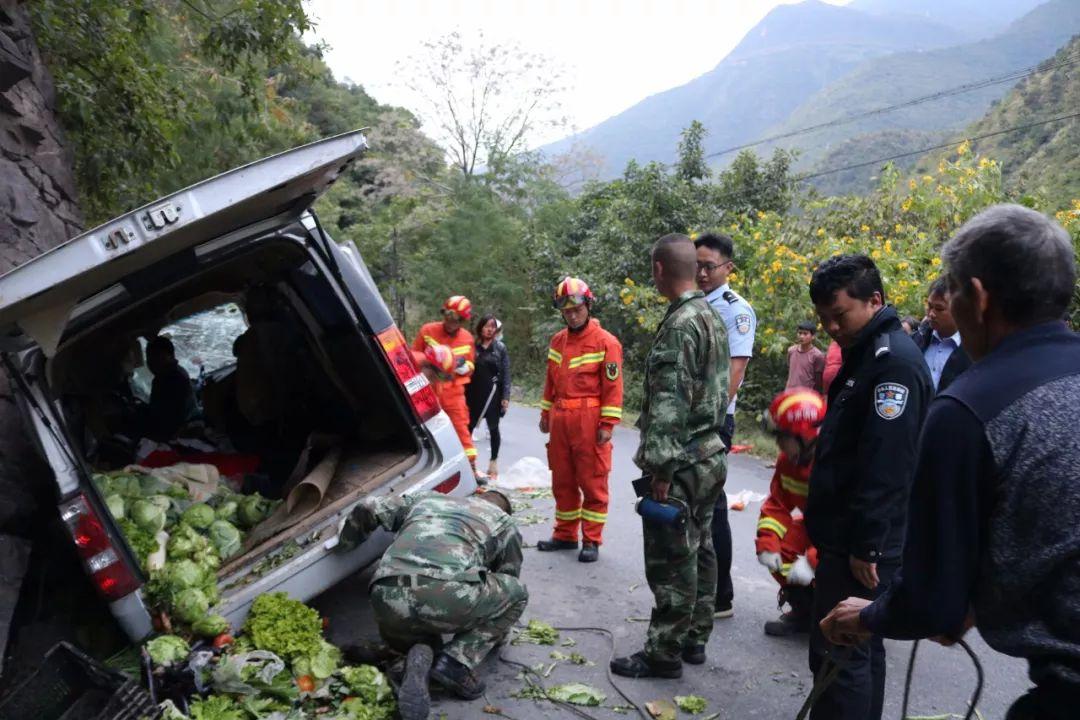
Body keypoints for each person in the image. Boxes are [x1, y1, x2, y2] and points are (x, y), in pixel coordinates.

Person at [819, 205, 1080, 720]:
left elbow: (934, 600)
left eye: (954, 293)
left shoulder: (968, 409)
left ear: (977, 298)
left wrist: (871, 615)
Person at [805, 254, 932, 720]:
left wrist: (869, 546)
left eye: (839, 315)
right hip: (846, 534)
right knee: (856, 649)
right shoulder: (866, 354)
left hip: (861, 543)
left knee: (840, 653)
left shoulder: (892, 363)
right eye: (824, 320)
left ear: (874, 300)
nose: (832, 328)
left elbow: (888, 464)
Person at [611, 234, 729, 679]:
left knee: (671, 559)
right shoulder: (710, 315)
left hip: (681, 462)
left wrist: (660, 467)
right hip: (709, 455)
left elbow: (669, 403)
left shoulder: (681, 325)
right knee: (701, 548)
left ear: (660, 269)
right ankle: (694, 638)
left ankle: (664, 652)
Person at [336, 489, 524, 719]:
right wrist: (495, 633)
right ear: (503, 510)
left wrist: (345, 544)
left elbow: (368, 506)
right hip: (444, 597)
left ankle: (405, 661)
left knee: (423, 639)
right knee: (518, 593)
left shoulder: (429, 498)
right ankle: (455, 662)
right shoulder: (504, 522)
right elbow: (509, 579)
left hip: (385, 594)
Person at [537, 277, 623, 563]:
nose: (572, 314)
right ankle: (564, 535)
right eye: (567, 310)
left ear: (588, 305)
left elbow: (613, 387)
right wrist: (546, 414)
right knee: (562, 479)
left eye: (577, 309)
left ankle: (591, 540)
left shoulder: (606, 342)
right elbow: (551, 381)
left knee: (592, 481)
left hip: (589, 419)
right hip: (561, 417)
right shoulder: (557, 341)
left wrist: (607, 425)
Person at [694, 231, 754, 619]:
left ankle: (721, 596)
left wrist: (708, 421)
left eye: (708, 266)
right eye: (695, 265)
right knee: (692, 505)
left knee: (713, 506)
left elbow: (735, 371)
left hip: (713, 422)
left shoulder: (736, 310)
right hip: (689, 419)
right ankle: (697, 588)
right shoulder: (694, 303)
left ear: (728, 268)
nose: (701, 273)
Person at [757, 389, 825, 637]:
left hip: (854, 543)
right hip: (818, 527)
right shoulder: (790, 460)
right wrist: (768, 542)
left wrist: (813, 561)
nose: (778, 445)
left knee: (834, 566)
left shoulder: (836, 462)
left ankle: (836, 615)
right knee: (783, 545)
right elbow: (777, 503)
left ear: (804, 436)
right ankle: (804, 611)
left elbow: (849, 525)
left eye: (781, 437)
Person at [413, 296, 479, 475]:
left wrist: (462, 367)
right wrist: (429, 362)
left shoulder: (466, 338)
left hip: (454, 391)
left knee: (461, 429)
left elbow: (471, 366)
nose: (450, 323)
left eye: (455, 320)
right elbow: (412, 357)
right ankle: (426, 469)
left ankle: (471, 469)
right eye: (448, 318)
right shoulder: (428, 330)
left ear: (462, 321)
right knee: (425, 429)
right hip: (429, 388)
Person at [466, 315, 511, 480]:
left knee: (494, 428)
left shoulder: (500, 348)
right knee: (468, 429)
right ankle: (470, 465)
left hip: (493, 395)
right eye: (486, 326)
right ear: (480, 328)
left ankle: (493, 464)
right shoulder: (471, 347)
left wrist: (505, 397)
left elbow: (506, 374)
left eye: (493, 327)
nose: (490, 329)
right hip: (473, 395)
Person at [911, 277, 971, 394]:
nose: (931, 314)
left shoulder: (973, 350)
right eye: (929, 306)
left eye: (939, 309)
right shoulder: (917, 340)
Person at [144, 336, 196, 441]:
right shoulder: (165, 375)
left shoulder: (173, 379)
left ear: (171, 356)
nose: (152, 362)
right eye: (149, 357)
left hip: (178, 434)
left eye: (158, 356)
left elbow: (169, 418)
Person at [786, 321, 826, 393]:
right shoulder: (791, 351)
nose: (801, 336)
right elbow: (790, 372)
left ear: (813, 336)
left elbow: (818, 381)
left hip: (806, 397)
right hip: (789, 394)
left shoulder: (817, 356)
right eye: (800, 333)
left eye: (805, 334)